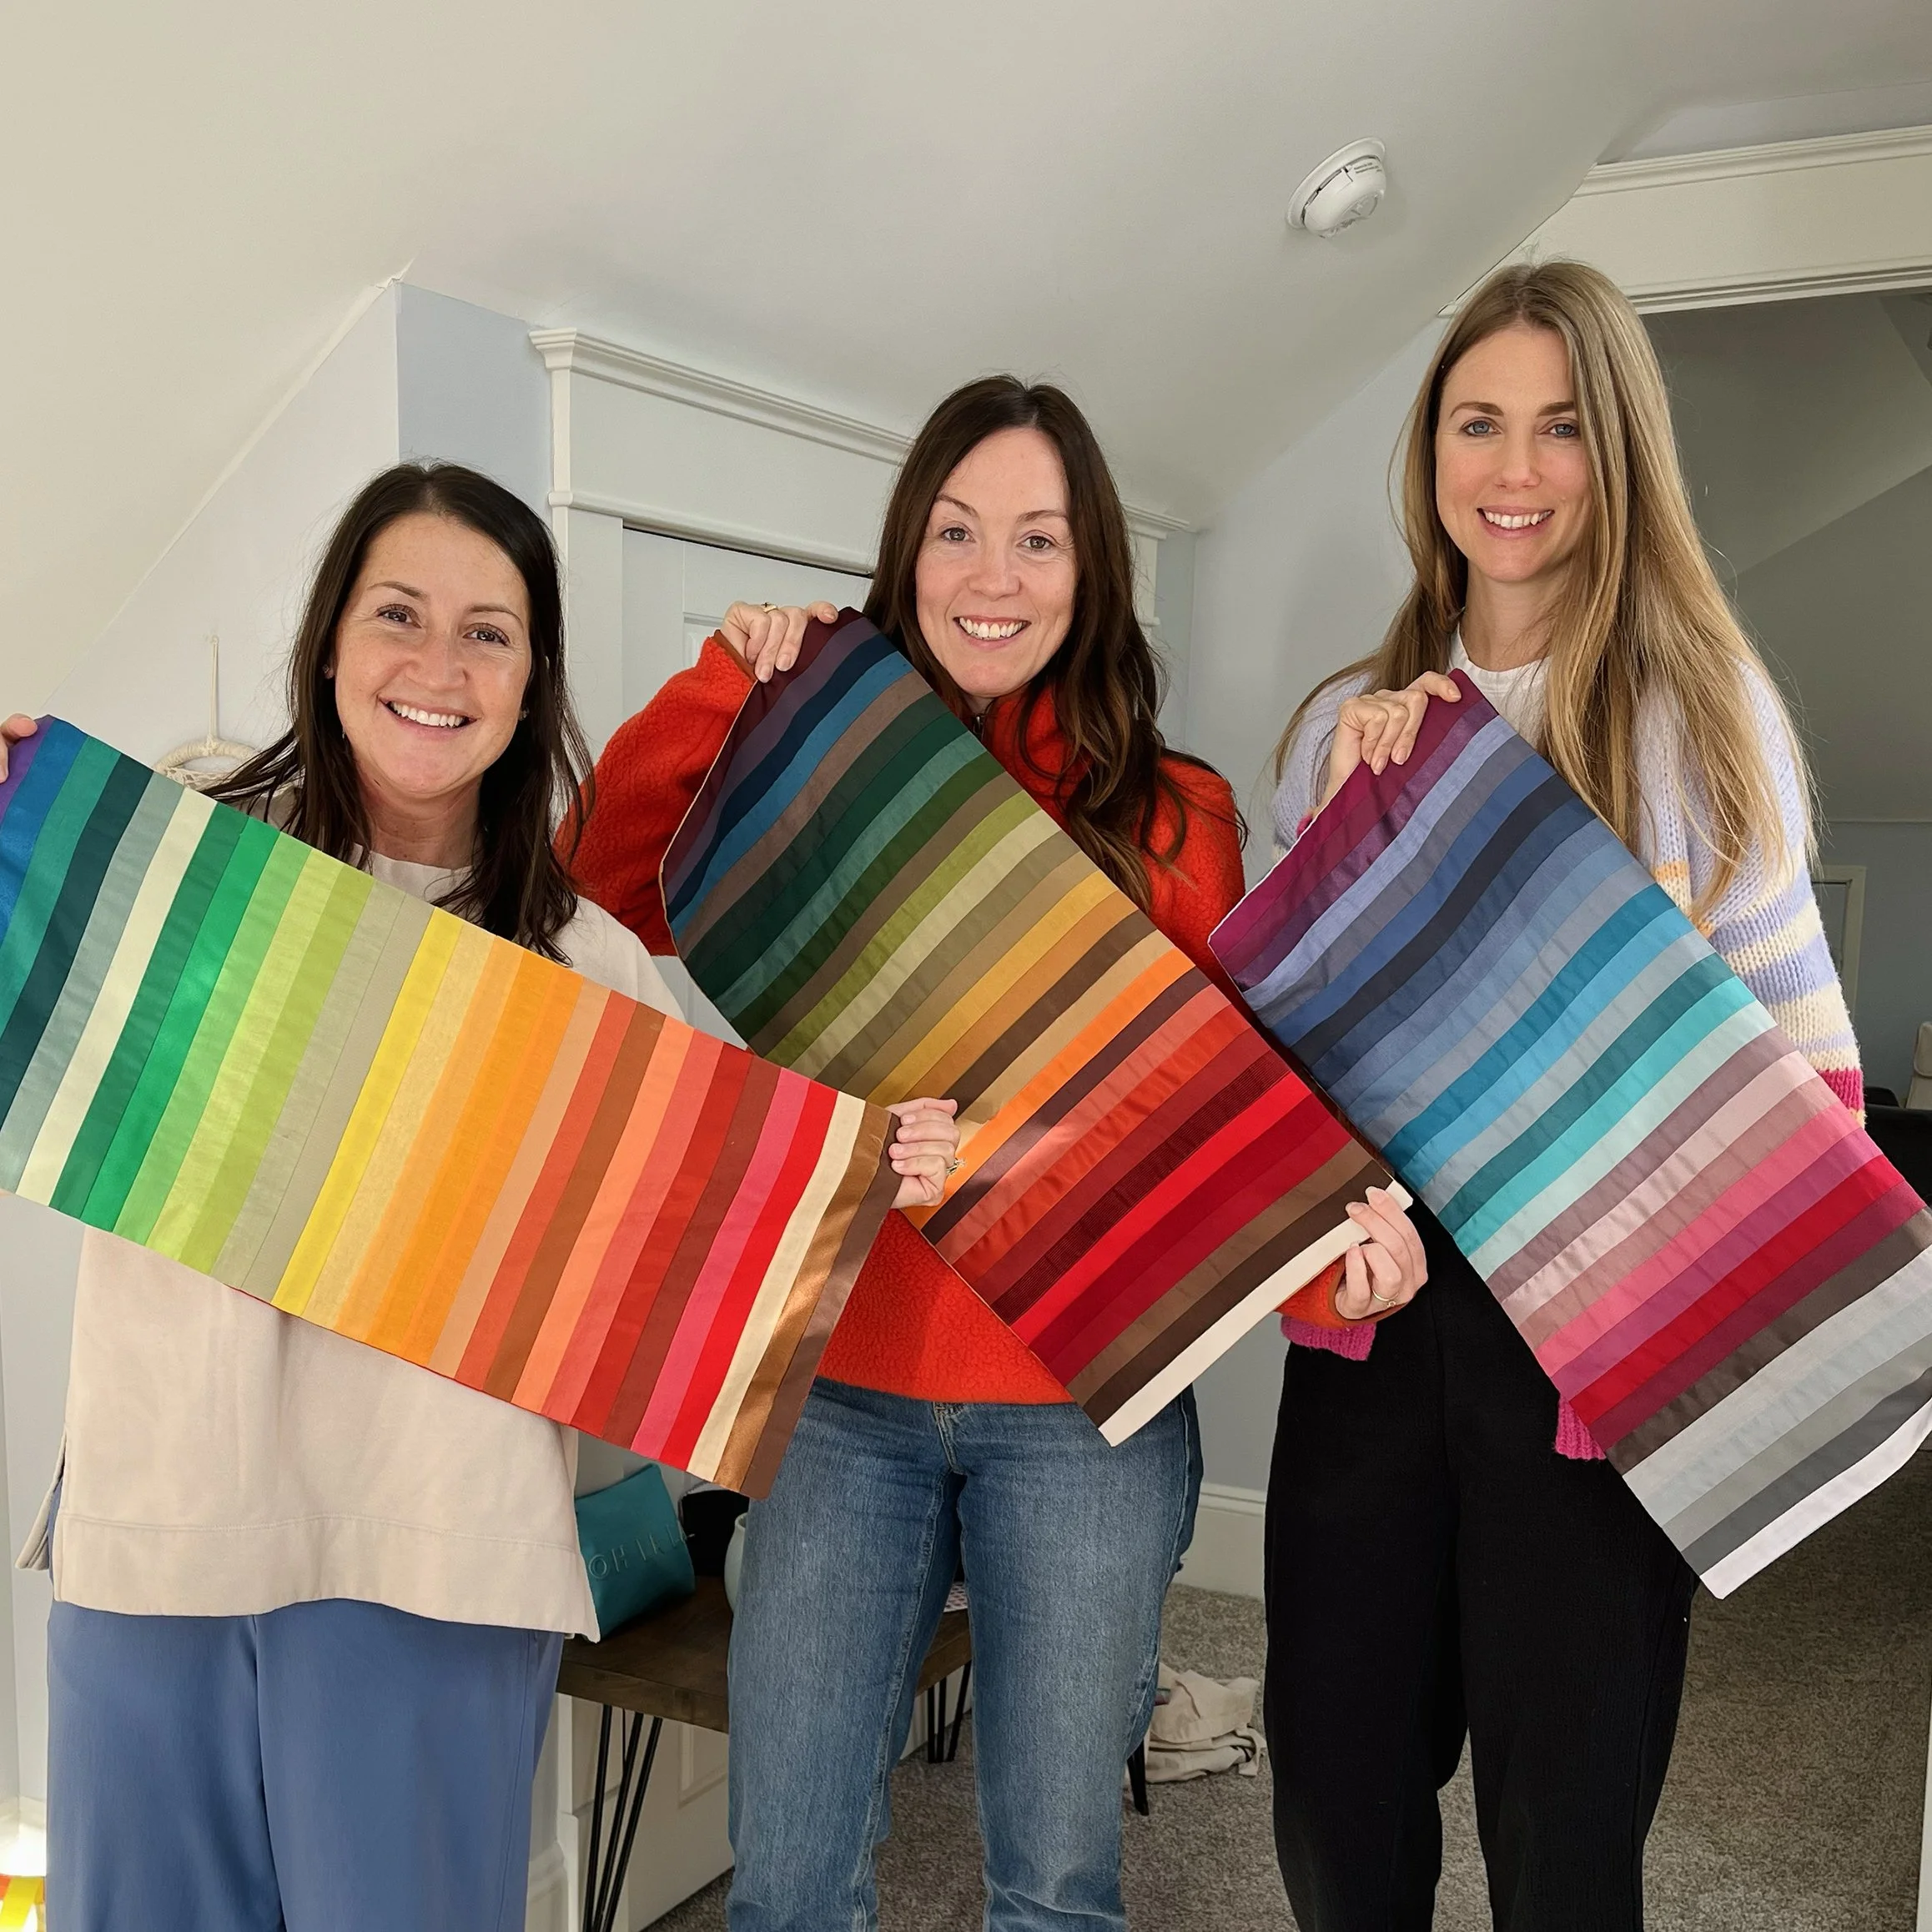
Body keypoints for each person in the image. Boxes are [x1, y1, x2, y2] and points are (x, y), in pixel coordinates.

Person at [0, 460, 957, 1932]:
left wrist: (875, 1164)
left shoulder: (583, 968)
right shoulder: (185, 864)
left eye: (489, 633)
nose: (437, 667)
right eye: (399, 615)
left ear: (531, 681)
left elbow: (739, 1209)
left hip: (435, 1557)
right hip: (161, 1523)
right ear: (330, 643)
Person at [572, 375, 1427, 1932]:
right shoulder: (816, 770)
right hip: (842, 1396)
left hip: (1087, 1413)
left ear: (1089, 571)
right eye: (958, 533)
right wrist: (729, 684)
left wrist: (1335, 1270)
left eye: (1038, 540)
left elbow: (1226, 1119)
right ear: (906, 557)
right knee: (787, 1885)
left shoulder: (1178, 819)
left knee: (1053, 1887)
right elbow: (614, 873)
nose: (992, 575)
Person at [1264, 259, 1863, 1932]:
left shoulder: (1699, 714)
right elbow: (1285, 1073)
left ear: (1621, 458)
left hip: (1601, 1343)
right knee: (1333, 1799)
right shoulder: (1337, 731)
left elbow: (1806, 1072)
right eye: (1477, 424)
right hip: (1383, 1318)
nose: (1512, 471)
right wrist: (1362, 821)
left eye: (1559, 429)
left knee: (1567, 1834)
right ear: (1429, 452)